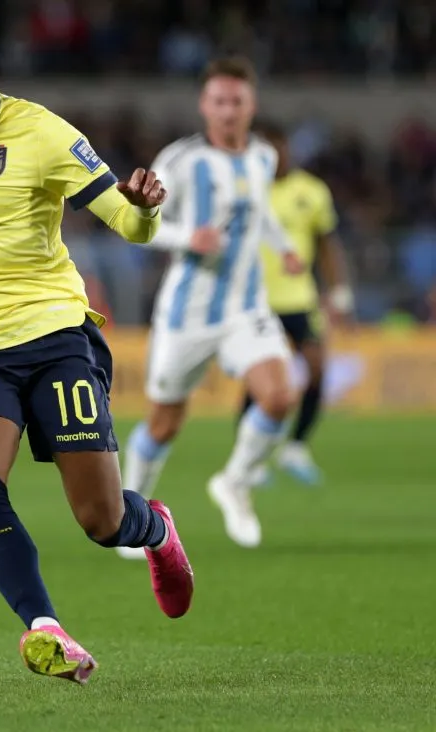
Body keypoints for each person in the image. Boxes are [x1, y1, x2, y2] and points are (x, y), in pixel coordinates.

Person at [0, 18, 194, 686]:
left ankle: (157, 529)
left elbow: (129, 225)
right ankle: (45, 628)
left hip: (52, 340)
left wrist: (143, 209)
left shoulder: (44, 135)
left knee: (101, 522)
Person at [117, 57, 306, 557]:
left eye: (237, 101)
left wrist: (284, 245)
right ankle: (126, 516)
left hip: (246, 308)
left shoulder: (263, 156)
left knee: (280, 395)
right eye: (218, 101)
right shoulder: (180, 161)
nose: (227, 110)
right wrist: (187, 237)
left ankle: (236, 481)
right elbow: (139, 223)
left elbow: (260, 211)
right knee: (164, 423)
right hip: (187, 315)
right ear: (204, 105)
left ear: (251, 105)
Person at [235, 120, 354, 486]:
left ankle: (296, 447)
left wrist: (338, 289)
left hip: (299, 298)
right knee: (260, 383)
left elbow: (327, 243)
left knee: (317, 368)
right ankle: (249, 462)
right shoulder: (245, 191)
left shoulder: (312, 191)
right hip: (255, 301)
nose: (275, 158)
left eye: (279, 149)